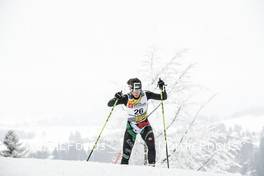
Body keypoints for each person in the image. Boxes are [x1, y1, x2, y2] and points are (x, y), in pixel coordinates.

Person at [107, 78, 167, 166]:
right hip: (131, 128)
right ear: (131, 89)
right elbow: (110, 104)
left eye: (138, 90)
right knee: (126, 156)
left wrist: (162, 88)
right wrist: (115, 98)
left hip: (144, 125)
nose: (136, 92)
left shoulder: (146, 94)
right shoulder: (126, 98)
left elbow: (163, 97)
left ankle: (152, 170)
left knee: (151, 146)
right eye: (134, 90)